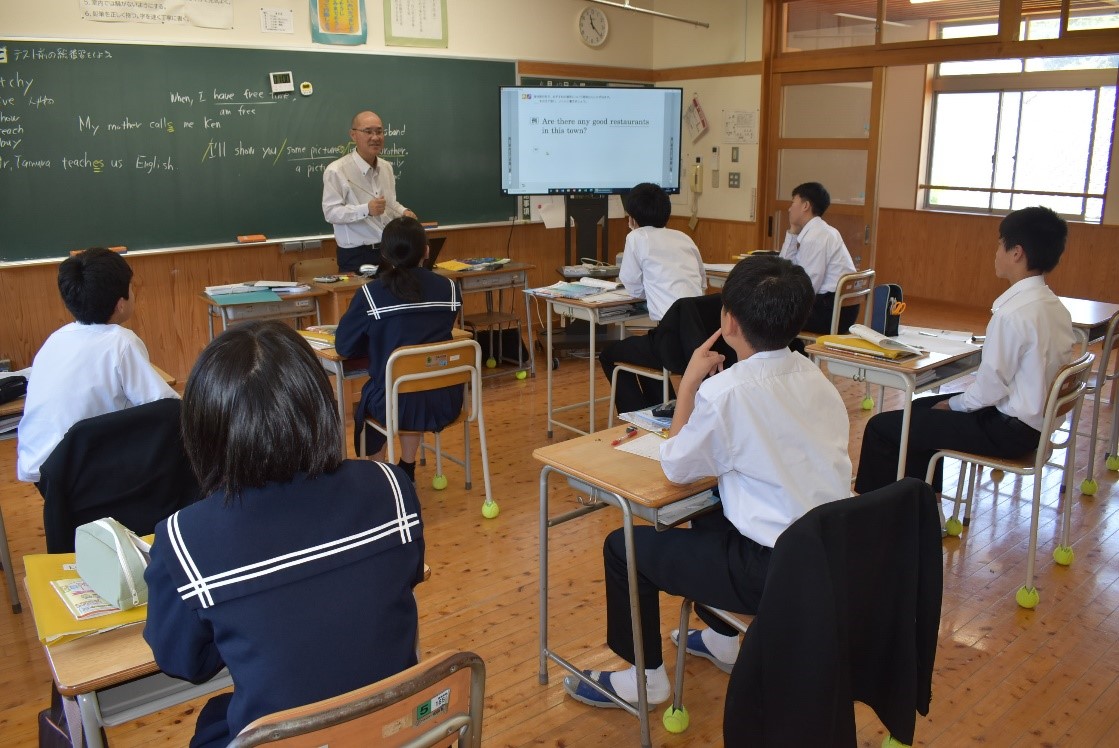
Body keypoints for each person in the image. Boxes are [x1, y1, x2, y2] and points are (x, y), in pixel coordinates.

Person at [564, 256, 852, 709]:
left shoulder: (726, 391)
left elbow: (676, 467)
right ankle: (722, 641)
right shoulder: (817, 376)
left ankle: (645, 682)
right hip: (830, 557)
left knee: (623, 549)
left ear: (728, 321)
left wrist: (688, 388)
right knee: (715, 505)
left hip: (771, 570)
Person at [143, 321, 424, 748]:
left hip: (288, 739)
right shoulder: (392, 487)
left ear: (203, 429)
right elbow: (399, 583)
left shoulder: (185, 537)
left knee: (213, 724)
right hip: (397, 732)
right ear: (320, 404)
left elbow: (184, 661)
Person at [855, 206, 1076, 495]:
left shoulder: (1012, 313)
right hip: (1033, 426)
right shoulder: (1055, 307)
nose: (996, 251)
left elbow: (989, 388)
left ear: (1016, 252)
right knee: (918, 411)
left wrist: (954, 404)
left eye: (1000, 243)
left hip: (1007, 431)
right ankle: (921, 506)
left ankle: (882, 515)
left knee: (883, 427)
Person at [16, 247, 178, 488]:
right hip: (85, 478)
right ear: (120, 303)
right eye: (132, 288)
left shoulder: (56, 338)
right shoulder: (120, 341)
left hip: (43, 473)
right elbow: (168, 408)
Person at [334, 216, 462, 479]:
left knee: (372, 397)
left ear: (384, 253)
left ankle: (380, 476)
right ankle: (406, 466)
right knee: (411, 384)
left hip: (395, 402)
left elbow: (344, 346)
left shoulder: (371, 294)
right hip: (445, 398)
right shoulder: (450, 289)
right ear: (427, 251)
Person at [599, 182, 707, 413]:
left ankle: (635, 415)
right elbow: (702, 283)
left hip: (670, 341)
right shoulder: (684, 238)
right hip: (699, 337)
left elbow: (632, 287)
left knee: (609, 355)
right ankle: (655, 411)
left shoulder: (637, 237)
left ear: (632, 219)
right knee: (644, 353)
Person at [322, 110, 417, 273]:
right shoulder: (336, 171)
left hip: (389, 251)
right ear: (353, 135)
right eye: (368, 131)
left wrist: (403, 212)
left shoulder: (386, 167)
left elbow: (390, 204)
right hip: (356, 255)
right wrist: (366, 209)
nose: (375, 137)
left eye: (379, 131)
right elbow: (330, 213)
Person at [780, 181, 857, 339]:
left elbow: (808, 286)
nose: (789, 208)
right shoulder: (823, 230)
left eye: (793, 202)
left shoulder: (816, 237)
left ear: (805, 206)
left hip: (830, 313)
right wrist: (793, 231)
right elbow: (784, 267)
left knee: (768, 314)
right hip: (840, 308)